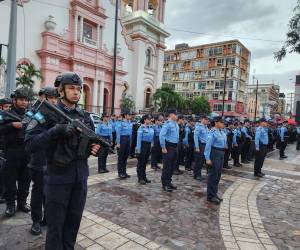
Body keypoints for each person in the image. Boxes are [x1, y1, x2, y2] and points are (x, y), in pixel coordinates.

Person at [25, 72, 101, 249]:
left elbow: (93, 141)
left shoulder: (85, 116)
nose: (76, 92)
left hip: (80, 178)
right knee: (55, 228)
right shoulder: (46, 112)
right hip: (57, 179)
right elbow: (30, 144)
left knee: (73, 226)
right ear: (61, 90)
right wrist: (55, 131)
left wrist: (96, 148)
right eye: (71, 88)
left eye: (78, 89)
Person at [27, 87, 59, 235]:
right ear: (42, 98)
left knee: (50, 192)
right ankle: (36, 221)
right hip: (38, 158)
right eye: (50, 98)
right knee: (38, 191)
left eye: (55, 98)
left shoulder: (57, 114)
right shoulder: (34, 113)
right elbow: (27, 134)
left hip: (52, 160)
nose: (53, 101)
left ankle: (47, 217)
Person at [0, 88, 31, 217]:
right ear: (15, 100)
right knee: (10, 180)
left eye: (26, 100)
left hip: (27, 151)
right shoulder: (5, 114)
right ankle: (10, 205)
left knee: (25, 179)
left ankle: (22, 203)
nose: (24, 102)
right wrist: (12, 125)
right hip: (12, 151)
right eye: (21, 100)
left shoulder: (30, 114)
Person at [204, 117, 227, 205]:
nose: (223, 124)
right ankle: (210, 196)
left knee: (218, 175)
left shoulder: (222, 132)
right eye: (221, 123)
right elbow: (208, 146)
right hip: (214, 153)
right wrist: (207, 158)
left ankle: (214, 194)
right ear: (216, 123)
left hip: (221, 153)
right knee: (213, 175)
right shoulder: (212, 132)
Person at [159, 109, 179, 192]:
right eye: (175, 114)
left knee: (172, 166)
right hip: (168, 147)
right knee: (167, 166)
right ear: (171, 115)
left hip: (175, 147)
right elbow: (161, 135)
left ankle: (169, 182)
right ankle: (165, 184)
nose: (177, 116)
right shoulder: (167, 124)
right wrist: (163, 147)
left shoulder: (176, 124)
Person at [0, 97, 12, 204]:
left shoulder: (10, 116)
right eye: (6, 107)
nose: (8, 109)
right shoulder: (1, 117)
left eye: (9, 106)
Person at [136, 114, 154, 185]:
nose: (150, 120)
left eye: (150, 119)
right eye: (148, 119)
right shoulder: (141, 128)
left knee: (145, 162)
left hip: (148, 146)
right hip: (142, 145)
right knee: (141, 162)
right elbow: (138, 140)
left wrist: (152, 145)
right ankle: (140, 178)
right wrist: (138, 150)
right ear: (145, 120)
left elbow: (152, 139)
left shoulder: (151, 128)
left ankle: (144, 177)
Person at [116, 110, 133, 179]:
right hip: (122, 139)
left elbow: (130, 134)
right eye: (129, 115)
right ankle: (120, 173)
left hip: (128, 140)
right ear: (125, 115)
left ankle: (124, 172)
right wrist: (118, 143)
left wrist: (130, 142)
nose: (130, 116)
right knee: (121, 157)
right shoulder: (121, 123)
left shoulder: (130, 123)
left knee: (125, 156)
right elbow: (118, 133)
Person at [193, 115, 209, 180]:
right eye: (206, 119)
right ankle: (197, 175)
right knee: (198, 161)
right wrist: (197, 147)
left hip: (205, 145)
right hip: (200, 145)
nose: (207, 121)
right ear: (202, 119)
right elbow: (195, 137)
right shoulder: (198, 127)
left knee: (202, 161)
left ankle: (198, 174)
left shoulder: (206, 127)